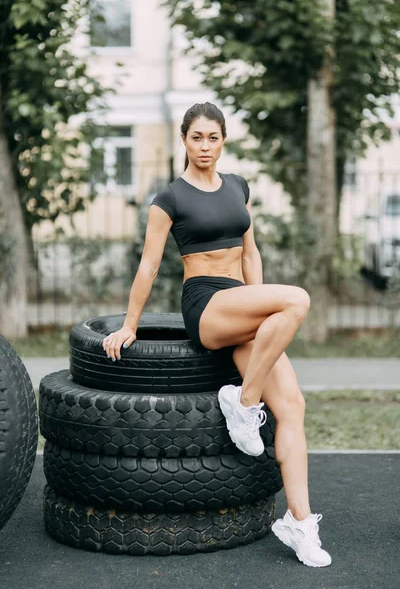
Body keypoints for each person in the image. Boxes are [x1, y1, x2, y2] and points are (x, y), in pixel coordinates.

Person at [102, 102, 332, 568]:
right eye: (196, 138)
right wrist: (130, 324)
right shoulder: (169, 199)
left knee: (292, 407)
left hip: (242, 304)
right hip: (205, 305)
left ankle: (299, 523)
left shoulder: (237, 187)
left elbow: (250, 253)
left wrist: (258, 300)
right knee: (298, 299)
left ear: (223, 139)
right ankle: (244, 403)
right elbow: (148, 265)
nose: (205, 146)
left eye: (213, 137)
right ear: (183, 140)